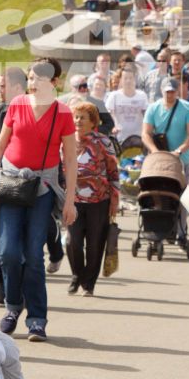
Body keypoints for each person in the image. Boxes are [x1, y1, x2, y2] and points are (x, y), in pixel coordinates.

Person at [0, 59, 79, 344]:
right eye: (32, 78)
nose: (34, 83)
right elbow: (0, 146)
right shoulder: (18, 104)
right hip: (10, 184)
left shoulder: (63, 113)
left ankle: (37, 319)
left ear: (55, 83)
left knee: (33, 255)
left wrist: (70, 200)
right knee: (8, 252)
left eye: (40, 79)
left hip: (42, 188)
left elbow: (70, 160)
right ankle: (12, 306)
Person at [65, 101, 120, 296]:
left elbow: (113, 171)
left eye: (82, 117)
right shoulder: (66, 140)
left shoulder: (103, 142)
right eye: (76, 117)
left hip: (100, 200)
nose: (78, 121)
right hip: (74, 200)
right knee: (72, 241)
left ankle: (89, 283)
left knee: (95, 242)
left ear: (92, 121)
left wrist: (114, 199)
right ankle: (76, 275)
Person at [141, 78, 189, 168]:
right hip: (159, 160)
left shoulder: (188, 107)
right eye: (167, 91)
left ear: (177, 90)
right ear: (161, 90)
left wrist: (178, 151)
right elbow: (145, 133)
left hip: (181, 159)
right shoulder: (152, 108)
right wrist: (154, 151)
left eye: (172, 91)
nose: (169, 94)